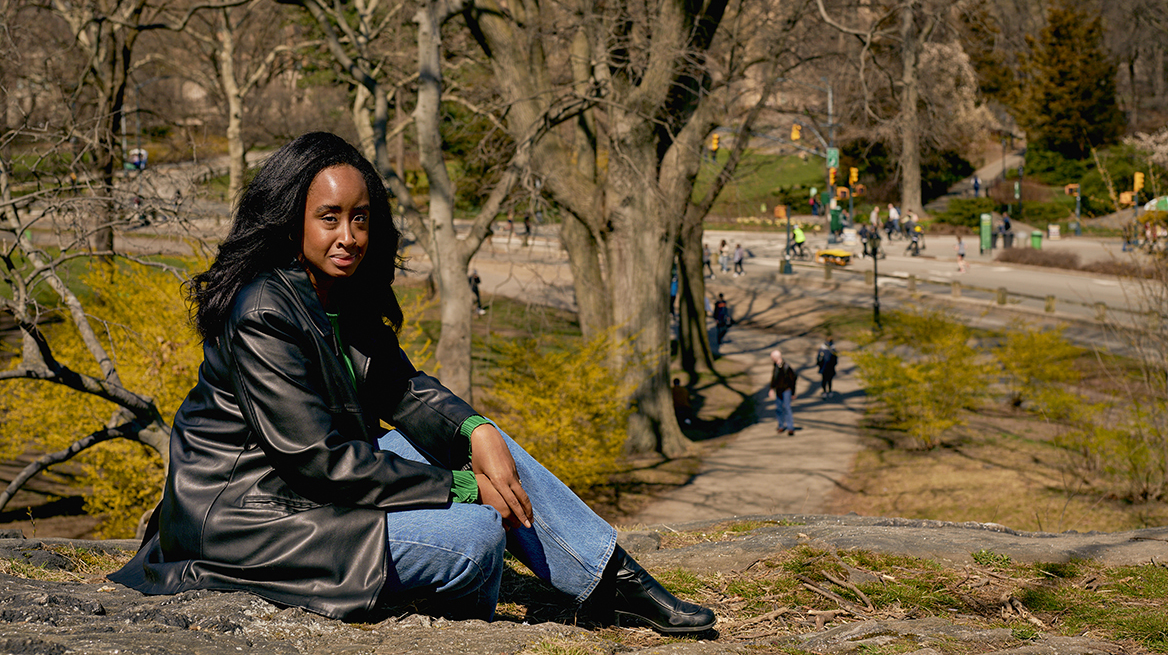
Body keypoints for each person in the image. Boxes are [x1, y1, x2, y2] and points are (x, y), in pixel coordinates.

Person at [108, 132, 715, 636]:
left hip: (309, 487)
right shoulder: (262, 308)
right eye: (329, 218)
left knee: (494, 455)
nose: (348, 236)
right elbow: (317, 459)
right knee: (477, 535)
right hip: (253, 515)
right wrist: (455, 485)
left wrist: (475, 431)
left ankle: (611, 580)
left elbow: (401, 388)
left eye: (360, 218)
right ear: (293, 219)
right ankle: (449, 604)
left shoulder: (337, 293)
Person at [767, 349, 796, 436]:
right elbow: (774, 378)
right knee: (778, 409)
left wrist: (793, 393)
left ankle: (790, 427)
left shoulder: (786, 367)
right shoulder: (775, 366)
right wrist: (772, 388)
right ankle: (781, 426)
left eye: (772, 358)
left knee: (787, 408)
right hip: (778, 391)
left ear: (776, 357)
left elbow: (793, 380)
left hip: (786, 390)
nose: (772, 359)